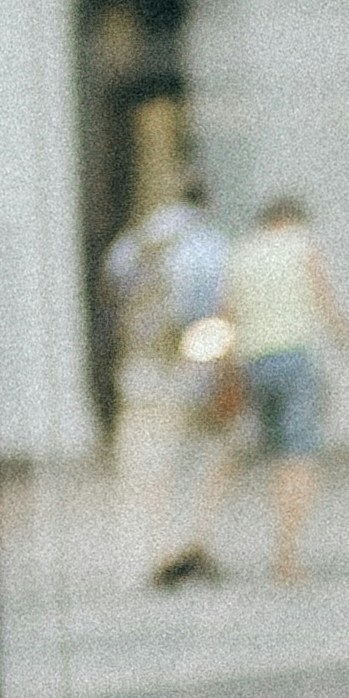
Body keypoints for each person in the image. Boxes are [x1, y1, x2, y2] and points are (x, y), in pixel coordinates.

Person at [214, 194, 349, 585]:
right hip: (295, 362)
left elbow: (225, 316)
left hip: (252, 363)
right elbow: (327, 307)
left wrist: (226, 370)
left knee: (256, 453)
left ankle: (204, 537)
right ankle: (286, 555)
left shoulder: (242, 253)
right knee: (297, 458)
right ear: (290, 221)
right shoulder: (302, 247)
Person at [106, 172, 240, 593]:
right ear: (208, 202)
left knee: (153, 461)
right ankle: (196, 542)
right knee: (214, 452)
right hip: (193, 368)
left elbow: (112, 301)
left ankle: (160, 550)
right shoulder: (211, 244)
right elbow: (218, 312)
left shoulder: (132, 245)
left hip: (141, 369)